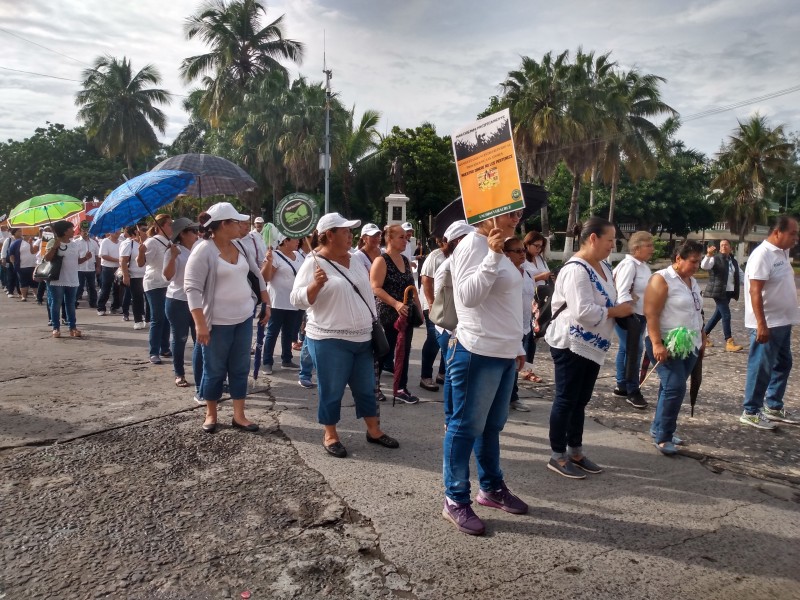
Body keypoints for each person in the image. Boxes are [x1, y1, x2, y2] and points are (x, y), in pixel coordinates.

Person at [442, 209, 529, 536]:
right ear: (489, 210)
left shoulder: (500, 248)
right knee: (465, 426)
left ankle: (491, 488)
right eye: (512, 209)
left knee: (491, 426)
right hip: (477, 350)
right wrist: (493, 256)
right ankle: (454, 498)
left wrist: (518, 346)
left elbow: (505, 304)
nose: (518, 215)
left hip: (504, 352)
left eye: (520, 209)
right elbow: (467, 296)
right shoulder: (472, 246)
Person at [290, 212, 399, 458]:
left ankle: (374, 430)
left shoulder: (356, 260)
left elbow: (368, 290)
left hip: (363, 337)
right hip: (330, 340)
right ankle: (330, 434)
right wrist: (315, 285)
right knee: (332, 390)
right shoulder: (313, 262)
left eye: (351, 231)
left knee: (366, 388)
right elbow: (296, 299)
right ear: (329, 235)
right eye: (345, 231)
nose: (351, 236)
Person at [545, 217, 634, 479]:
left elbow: (611, 297)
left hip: (592, 345)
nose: (613, 245)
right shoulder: (576, 269)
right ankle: (557, 455)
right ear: (593, 238)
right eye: (610, 240)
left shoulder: (604, 266)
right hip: (571, 343)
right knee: (566, 399)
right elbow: (583, 311)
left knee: (580, 400)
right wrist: (616, 311)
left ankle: (576, 450)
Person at [184, 202, 270, 434]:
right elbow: (191, 288)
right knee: (214, 369)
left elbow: (255, 274)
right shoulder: (204, 250)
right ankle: (211, 414)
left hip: (243, 317)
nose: (241, 225)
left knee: (240, 367)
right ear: (223, 225)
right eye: (236, 222)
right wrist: (200, 322)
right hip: (217, 322)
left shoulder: (240, 246)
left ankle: (239, 415)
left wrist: (265, 301)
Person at [643, 241, 705, 455]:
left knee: (668, 387)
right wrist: (657, 343)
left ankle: (658, 427)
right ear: (678, 258)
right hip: (665, 342)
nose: (697, 266)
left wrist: (701, 335)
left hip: (689, 344)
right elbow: (651, 314)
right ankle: (664, 437)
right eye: (693, 261)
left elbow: (697, 312)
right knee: (675, 387)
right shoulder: (662, 279)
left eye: (699, 261)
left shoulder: (692, 281)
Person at [739, 215, 800, 430]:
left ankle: (773, 405)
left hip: (782, 321)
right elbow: (754, 291)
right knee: (761, 367)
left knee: (783, 363)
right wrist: (761, 324)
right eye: (792, 233)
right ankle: (751, 410)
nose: (796, 238)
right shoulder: (762, 255)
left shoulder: (782, 253)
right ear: (777, 232)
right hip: (768, 323)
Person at [371, 223, 422, 404]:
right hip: (388, 313)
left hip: (405, 313)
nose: (406, 240)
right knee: (385, 350)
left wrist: (419, 307)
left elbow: (412, 287)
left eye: (406, 237)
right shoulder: (381, 260)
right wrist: (395, 303)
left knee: (403, 352)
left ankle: (401, 388)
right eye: (401, 237)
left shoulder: (406, 261)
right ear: (389, 239)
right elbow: (375, 287)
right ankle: (373, 386)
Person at [432, 220, 473, 426]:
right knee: (452, 374)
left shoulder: (460, 262)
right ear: (459, 241)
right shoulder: (449, 265)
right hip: (449, 327)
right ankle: (450, 417)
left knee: (453, 374)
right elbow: (442, 297)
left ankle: (453, 416)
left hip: (458, 326)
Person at [612, 231, 655, 409]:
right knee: (634, 351)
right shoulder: (629, 265)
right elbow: (622, 293)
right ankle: (632, 389)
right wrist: (630, 310)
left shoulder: (642, 265)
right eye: (649, 246)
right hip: (630, 315)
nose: (652, 249)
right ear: (636, 248)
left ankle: (622, 384)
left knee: (626, 349)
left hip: (640, 314)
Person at [163, 217, 202, 393]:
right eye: (193, 231)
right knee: (180, 339)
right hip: (177, 300)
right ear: (183, 234)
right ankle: (179, 373)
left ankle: (202, 376)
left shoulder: (199, 248)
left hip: (197, 300)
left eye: (196, 230)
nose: (196, 233)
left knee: (200, 339)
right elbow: (167, 276)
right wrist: (172, 257)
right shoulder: (173, 251)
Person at [260, 233, 305, 374]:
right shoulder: (275, 256)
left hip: (292, 300)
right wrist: (268, 262)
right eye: (295, 239)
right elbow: (265, 278)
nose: (298, 241)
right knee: (272, 332)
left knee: (289, 331)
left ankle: (287, 359)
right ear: (285, 241)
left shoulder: (298, 256)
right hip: (277, 301)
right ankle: (267, 362)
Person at [503, 236, 536, 412]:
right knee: (509, 363)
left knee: (518, 364)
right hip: (508, 326)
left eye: (523, 250)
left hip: (525, 324)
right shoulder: (505, 273)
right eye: (518, 251)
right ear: (506, 254)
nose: (522, 254)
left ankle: (512, 396)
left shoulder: (527, 272)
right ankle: (508, 397)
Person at [138, 214, 173, 364]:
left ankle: (164, 347)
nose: (171, 227)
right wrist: (140, 252)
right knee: (157, 318)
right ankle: (154, 352)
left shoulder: (170, 241)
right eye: (169, 224)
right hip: (154, 283)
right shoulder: (152, 242)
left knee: (167, 318)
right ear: (160, 227)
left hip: (168, 283)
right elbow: (142, 263)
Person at [44, 221, 86, 338]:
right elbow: (47, 259)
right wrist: (54, 247)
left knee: (70, 304)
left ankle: (72, 327)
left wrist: (85, 258)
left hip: (72, 278)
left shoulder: (74, 244)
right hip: (57, 279)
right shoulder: (53, 242)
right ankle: (55, 328)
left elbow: (75, 261)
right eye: (71, 229)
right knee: (56, 304)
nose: (73, 231)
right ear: (64, 231)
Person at [519, 231, 552, 383]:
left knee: (536, 335)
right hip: (528, 300)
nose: (538, 249)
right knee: (529, 336)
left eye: (541, 246)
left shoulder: (540, 259)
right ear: (527, 244)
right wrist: (541, 277)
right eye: (536, 246)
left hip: (541, 300)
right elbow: (522, 278)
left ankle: (527, 367)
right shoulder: (522, 259)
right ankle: (525, 369)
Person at [701, 240, 744, 352]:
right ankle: (729, 341)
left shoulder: (733, 261)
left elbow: (741, 275)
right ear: (719, 249)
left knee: (718, 315)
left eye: (726, 245)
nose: (724, 246)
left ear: (731, 248)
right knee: (726, 315)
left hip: (729, 292)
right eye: (721, 245)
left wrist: (751, 285)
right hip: (718, 292)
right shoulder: (715, 259)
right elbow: (704, 266)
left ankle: (703, 336)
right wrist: (708, 255)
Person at [419, 235, 447, 391]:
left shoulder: (458, 255)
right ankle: (426, 376)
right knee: (434, 340)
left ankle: (442, 373)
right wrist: (431, 303)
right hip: (433, 304)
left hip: (450, 305)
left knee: (448, 339)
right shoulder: (435, 256)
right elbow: (426, 280)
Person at [119, 226, 147, 333]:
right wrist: (126, 276)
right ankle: (137, 320)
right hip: (134, 276)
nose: (146, 233)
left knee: (147, 299)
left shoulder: (147, 243)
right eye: (143, 231)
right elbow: (123, 260)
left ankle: (147, 318)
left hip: (146, 275)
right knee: (137, 298)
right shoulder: (128, 244)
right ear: (136, 232)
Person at [75, 222, 99, 309]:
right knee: (79, 287)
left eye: (87, 230)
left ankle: (93, 302)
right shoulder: (76, 243)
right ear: (80, 231)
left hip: (91, 269)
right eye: (84, 230)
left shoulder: (93, 242)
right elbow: (74, 259)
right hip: (79, 269)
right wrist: (85, 258)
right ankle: (74, 302)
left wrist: (98, 266)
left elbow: (97, 255)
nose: (86, 232)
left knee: (92, 287)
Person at [97, 231, 121, 316]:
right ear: (110, 233)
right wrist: (117, 260)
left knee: (117, 289)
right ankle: (101, 307)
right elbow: (103, 255)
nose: (117, 233)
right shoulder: (105, 241)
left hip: (118, 268)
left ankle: (115, 307)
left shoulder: (121, 242)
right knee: (106, 288)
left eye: (118, 231)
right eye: (115, 232)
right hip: (107, 268)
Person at [13, 233, 39, 302]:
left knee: (34, 282)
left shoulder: (36, 241)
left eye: (27, 234)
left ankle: (37, 296)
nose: (26, 236)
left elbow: (35, 251)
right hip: (22, 266)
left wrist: (30, 243)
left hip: (34, 265)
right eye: (24, 235)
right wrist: (14, 263)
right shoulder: (18, 243)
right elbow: (11, 253)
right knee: (23, 282)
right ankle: (23, 296)